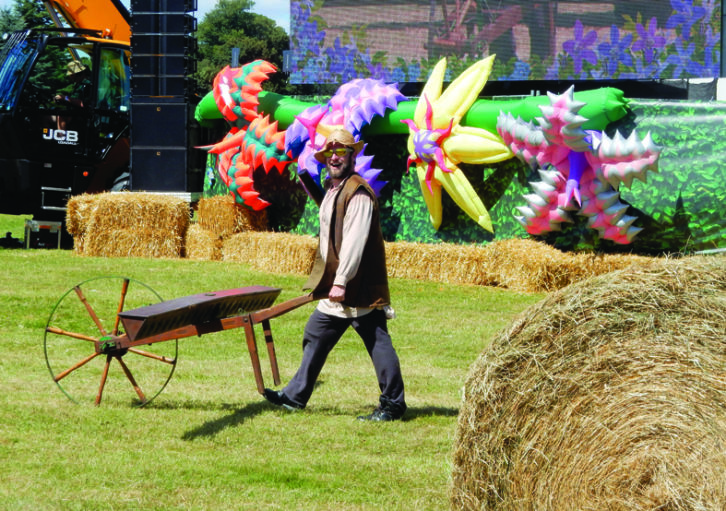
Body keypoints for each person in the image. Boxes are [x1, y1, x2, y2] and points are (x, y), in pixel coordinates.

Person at [264, 129, 407, 422]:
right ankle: (294, 397)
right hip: (340, 285)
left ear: (352, 156)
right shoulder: (334, 190)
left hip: (359, 284)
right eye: (330, 153)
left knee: (377, 341)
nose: (335, 158)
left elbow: (354, 241)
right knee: (316, 331)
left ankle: (393, 405)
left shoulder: (358, 194)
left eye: (341, 152)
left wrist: (341, 282)